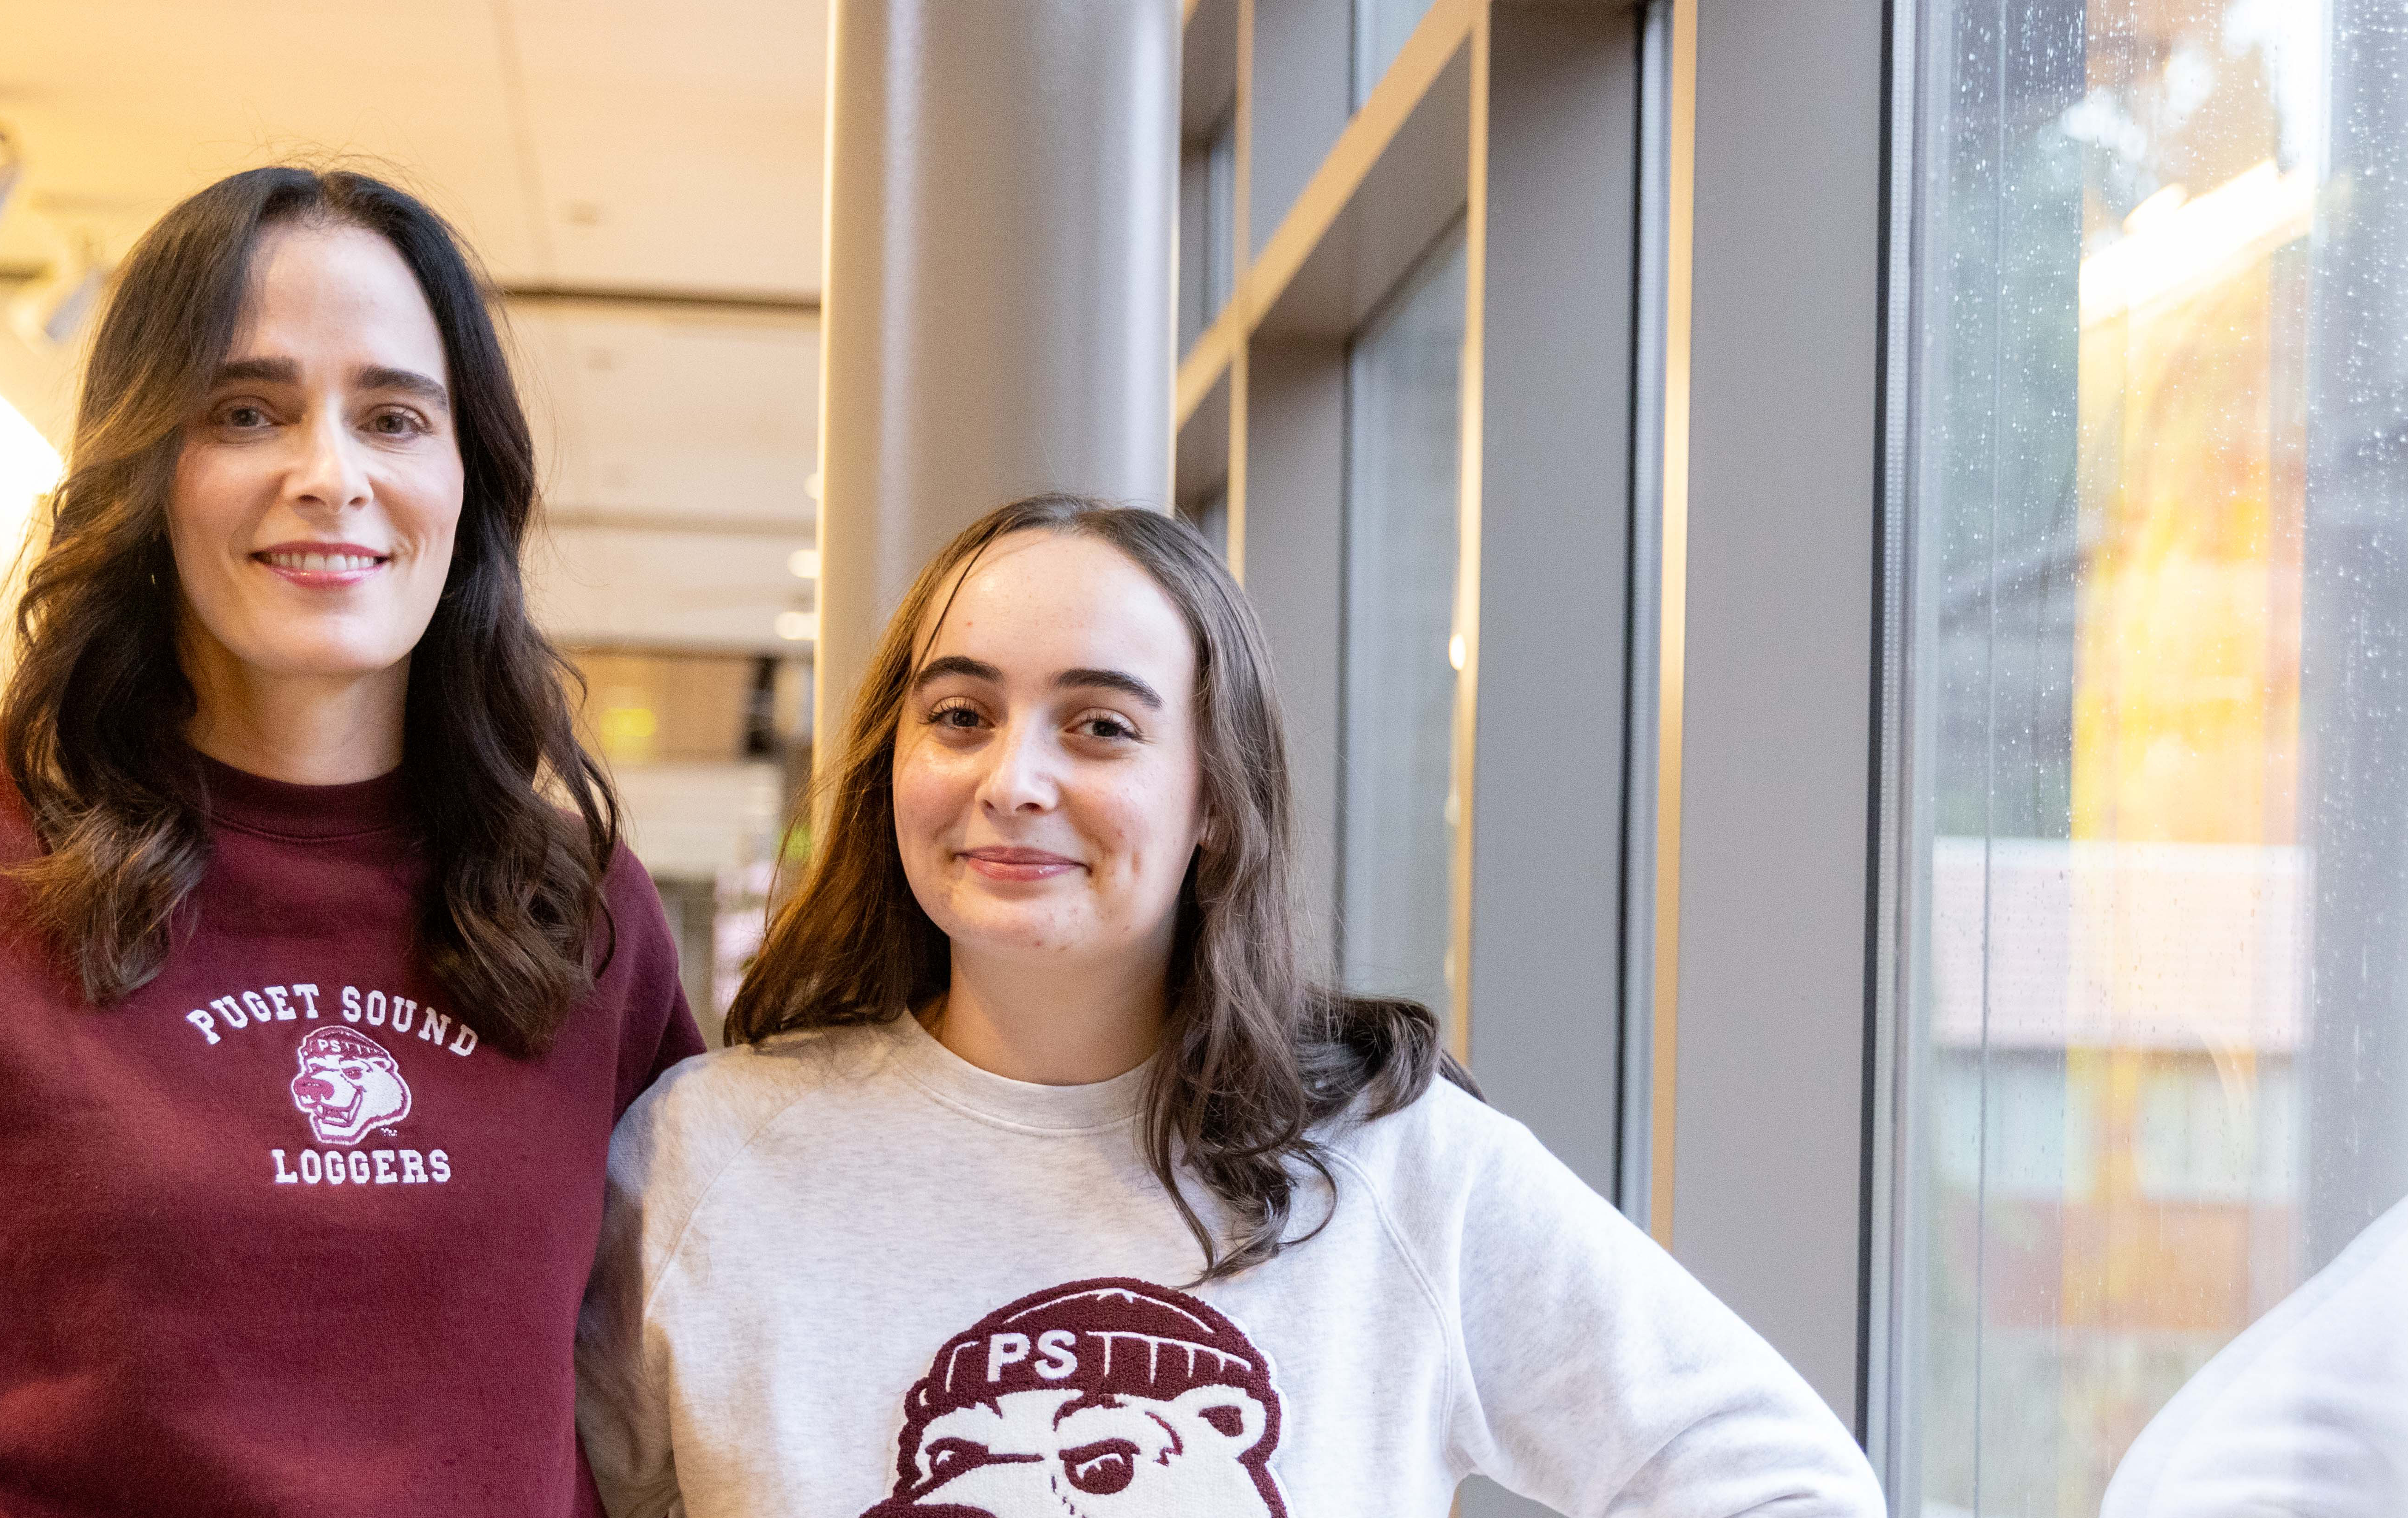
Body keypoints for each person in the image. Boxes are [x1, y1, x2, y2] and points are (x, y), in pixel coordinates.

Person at [0, 167, 701, 1515]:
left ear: (468, 482)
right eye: (248, 411)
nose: (329, 475)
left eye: (394, 417)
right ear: (146, 465)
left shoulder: (572, 911)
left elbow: (675, 1368)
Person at [577, 494, 1882, 1518]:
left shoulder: (1394, 1168)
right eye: (960, 714)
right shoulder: (708, 1156)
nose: (1013, 779)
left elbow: (1780, 1485)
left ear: (1213, 800)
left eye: (1099, 728)